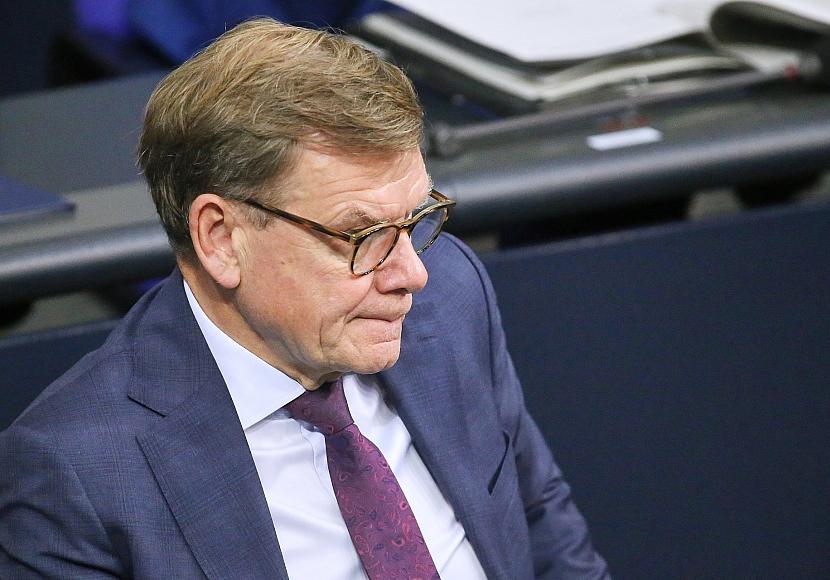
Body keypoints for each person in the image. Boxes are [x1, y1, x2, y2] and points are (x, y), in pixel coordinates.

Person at [0, 18, 609, 579]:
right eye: (363, 235)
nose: (412, 273)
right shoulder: (76, 474)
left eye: (417, 218)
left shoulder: (452, 298)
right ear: (222, 239)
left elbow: (540, 519)